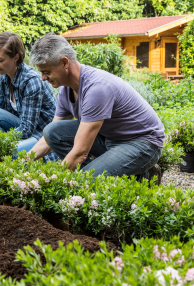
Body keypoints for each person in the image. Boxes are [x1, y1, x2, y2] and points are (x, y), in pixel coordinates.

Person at [29, 33, 165, 181]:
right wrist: (23, 162)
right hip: (110, 138)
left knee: (84, 180)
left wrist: (52, 183)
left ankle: (142, 174)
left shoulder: (97, 88)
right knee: (51, 131)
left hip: (141, 142)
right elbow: (50, 137)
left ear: (64, 63)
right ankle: (119, 171)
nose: (43, 78)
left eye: (46, 72)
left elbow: (80, 152)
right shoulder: (65, 90)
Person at [0, 31, 58, 161]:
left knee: (9, 153)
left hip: (42, 137)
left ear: (16, 57)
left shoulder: (31, 81)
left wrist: (1, 144)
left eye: (0, 60)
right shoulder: (3, 80)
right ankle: (3, 156)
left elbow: (27, 128)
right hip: (22, 132)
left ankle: (13, 157)